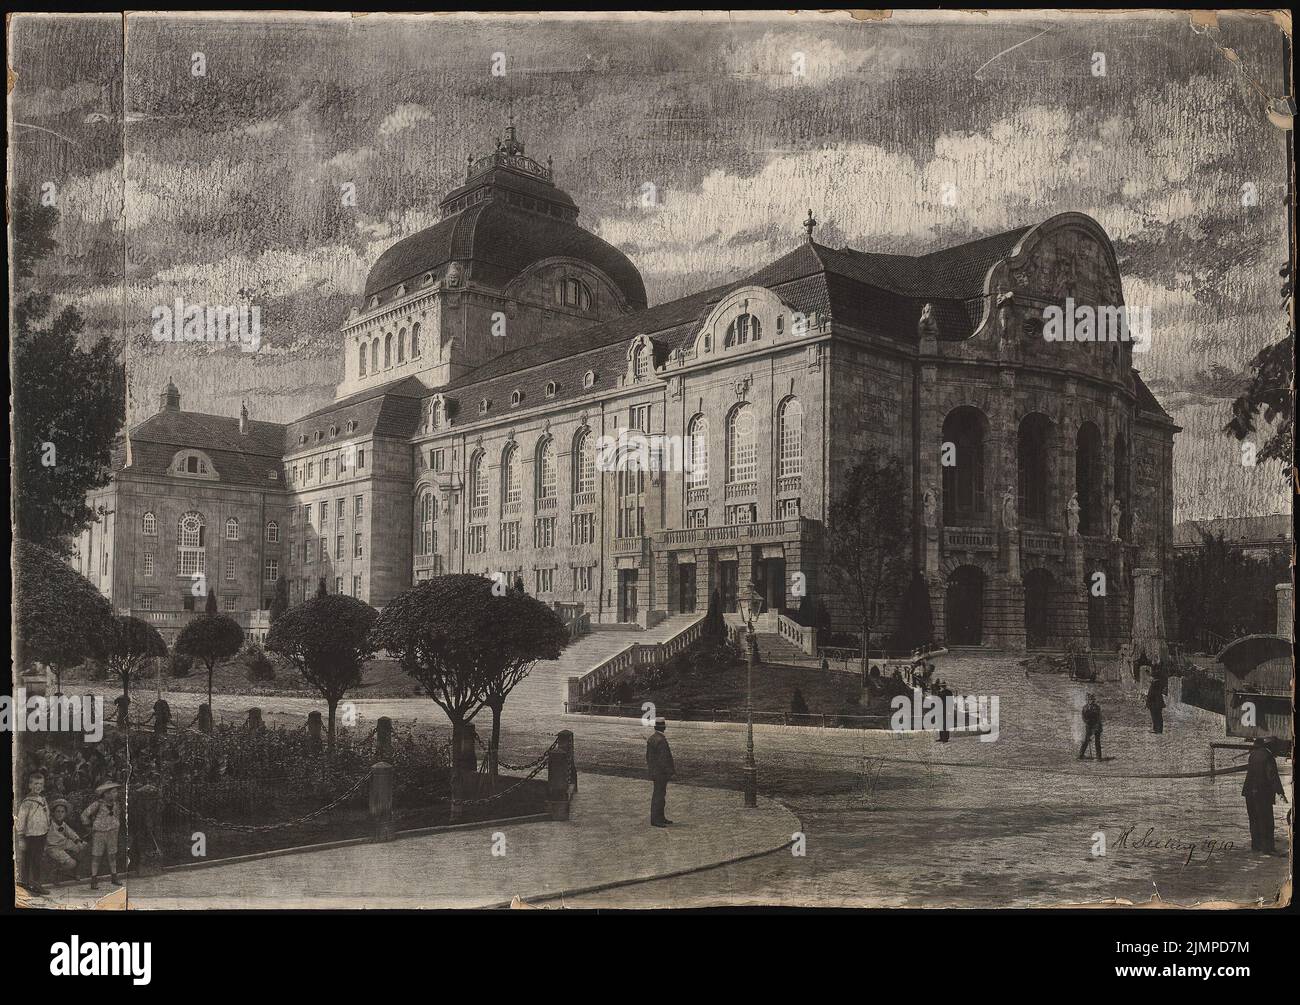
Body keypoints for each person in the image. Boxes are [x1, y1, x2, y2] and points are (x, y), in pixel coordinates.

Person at [1242, 738, 1287, 854]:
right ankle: (1268, 849)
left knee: (1254, 820)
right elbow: (1272, 776)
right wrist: (1280, 792)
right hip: (1262, 794)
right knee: (1266, 821)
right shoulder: (1268, 756)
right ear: (1271, 746)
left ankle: (1256, 846)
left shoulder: (1253, 755)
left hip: (1249, 793)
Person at [82, 781, 123, 889]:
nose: (116, 794)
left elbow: (117, 816)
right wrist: (88, 827)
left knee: (112, 855)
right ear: (106, 793)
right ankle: (94, 879)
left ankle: (114, 877)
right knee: (97, 856)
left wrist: (116, 825)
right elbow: (84, 815)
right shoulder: (98, 804)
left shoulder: (116, 804)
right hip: (99, 833)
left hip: (113, 833)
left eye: (116, 792)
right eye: (113, 792)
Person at [16, 770, 51, 895]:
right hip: (31, 836)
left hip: (42, 834)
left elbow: (47, 815)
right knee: (29, 860)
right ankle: (28, 884)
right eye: (35, 784)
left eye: (40, 784)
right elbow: (20, 820)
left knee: (37, 860)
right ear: (30, 785)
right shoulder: (27, 803)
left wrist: (47, 828)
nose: (38, 787)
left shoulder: (43, 799)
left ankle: (34, 883)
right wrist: (21, 837)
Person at [45, 798, 88, 880]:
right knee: (72, 863)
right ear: (53, 813)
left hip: (64, 844)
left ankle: (75, 871)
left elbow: (71, 833)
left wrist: (78, 841)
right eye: (57, 811)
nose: (60, 814)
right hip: (53, 847)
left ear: (65, 814)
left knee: (84, 845)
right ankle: (57, 872)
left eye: (62, 812)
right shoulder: (49, 823)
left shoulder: (63, 824)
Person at [646, 717, 676, 828]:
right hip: (661, 773)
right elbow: (664, 758)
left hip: (655, 771)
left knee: (659, 795)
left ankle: (660, 817)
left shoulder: (652, 738)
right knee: (659, 796)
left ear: (655, 727)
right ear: (664, 727)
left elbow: (648, 757)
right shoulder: (661, 740)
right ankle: (656, 819)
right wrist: (670, 771)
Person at [1078, 693, 1103, 760]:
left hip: (1096, 726)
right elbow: (1083, 717)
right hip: (1089, 726)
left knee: (1097, 741)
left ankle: (1099, 757)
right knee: (1086, 740)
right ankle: (1081, 755)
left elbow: (1098, 718)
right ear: (1087, 700)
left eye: (1092, 699)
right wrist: (1086, 721)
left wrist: (1095, 725)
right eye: (1089, 699)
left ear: (1094, 700)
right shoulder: (1085, 707)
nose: (1091, 701)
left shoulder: (1097, 707)